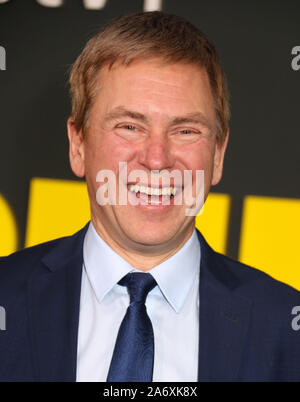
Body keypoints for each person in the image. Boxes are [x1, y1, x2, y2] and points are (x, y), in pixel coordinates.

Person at [0, 11, 300, 382]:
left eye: (186, 130)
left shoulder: (286, 332)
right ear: (78, 145)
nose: (157, 159)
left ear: (218, 156)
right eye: (129, 126)